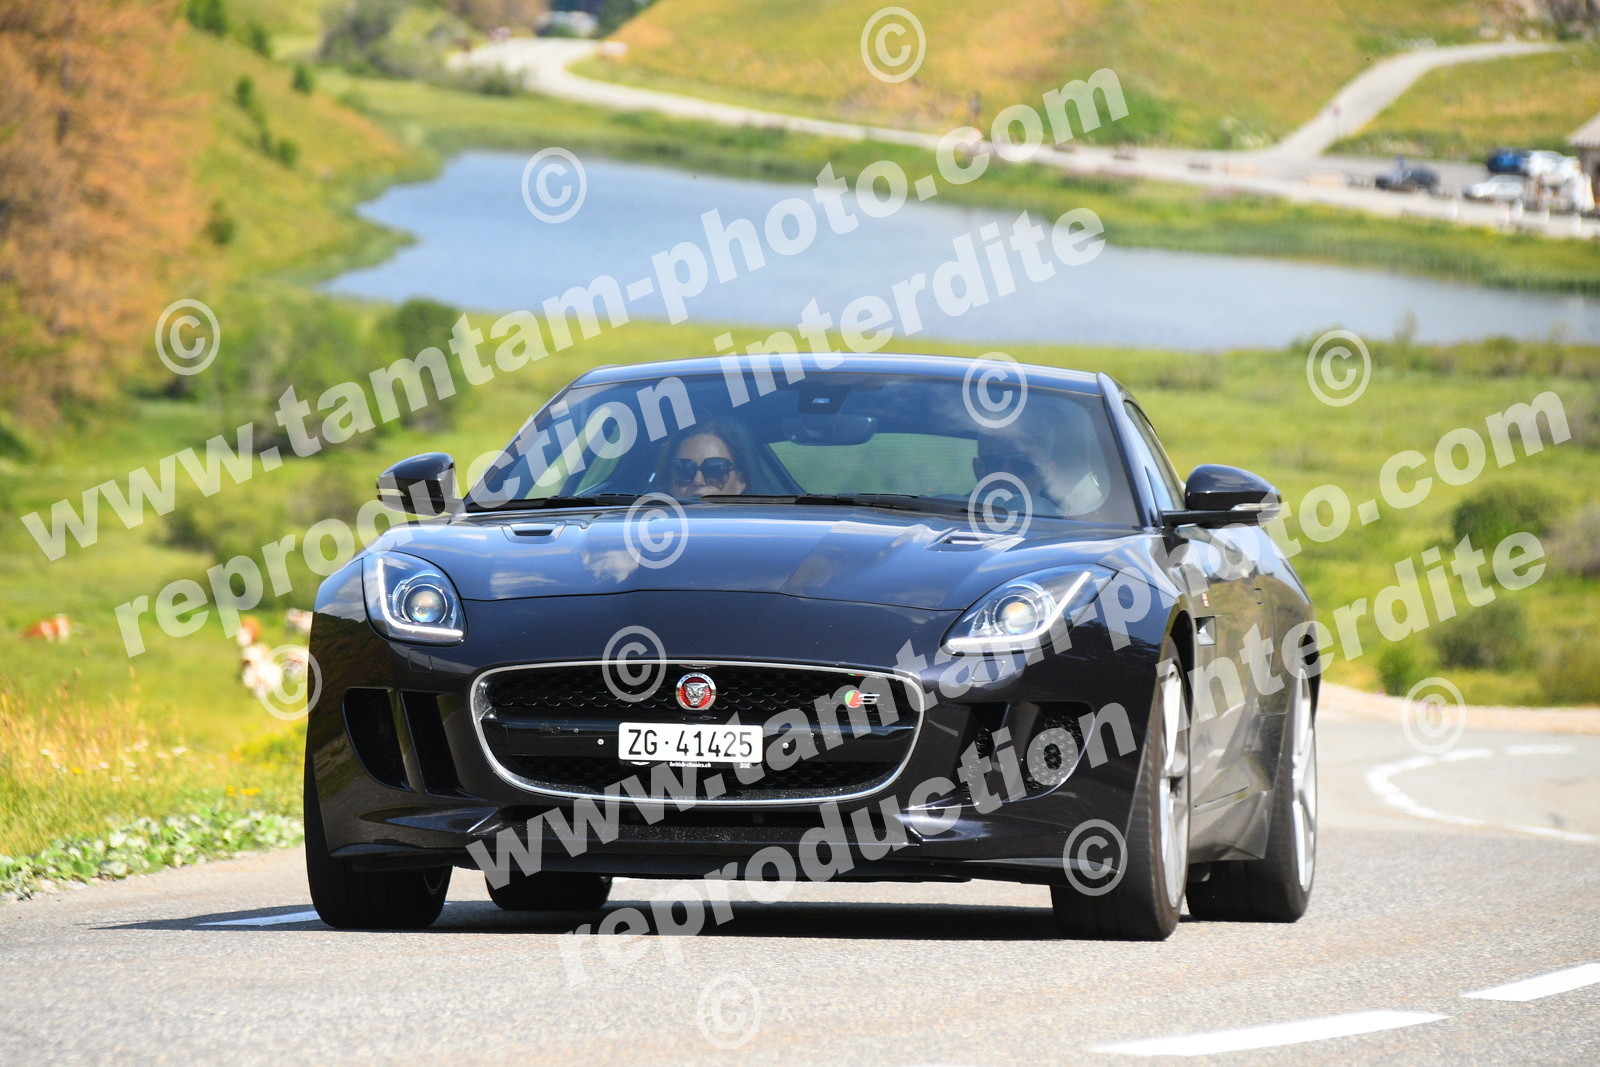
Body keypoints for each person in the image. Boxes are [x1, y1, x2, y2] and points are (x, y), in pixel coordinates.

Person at [972, 411, 1105, 517]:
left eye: (1022, 465)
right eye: (993, 462)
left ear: (1048, 472)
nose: (1006, 474)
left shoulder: (1073, 527)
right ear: (977, 469)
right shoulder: (958, 514)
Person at [658, 422, 750, 498]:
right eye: (683, 471)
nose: (697, 480)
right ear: (670, 482)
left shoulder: (758, 514)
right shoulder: (650, 514)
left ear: (740, 481)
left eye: (714, 470)